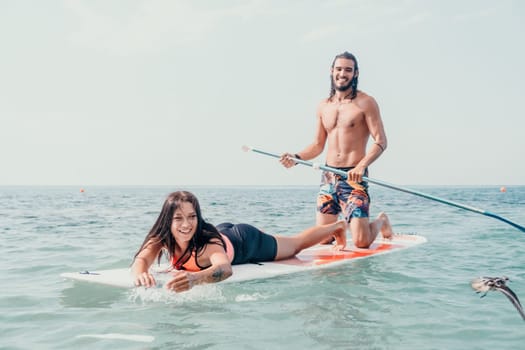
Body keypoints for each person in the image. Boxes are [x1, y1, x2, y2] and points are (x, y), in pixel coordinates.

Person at [280, 51, 393, 248]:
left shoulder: (366, 102)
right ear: (332, 71)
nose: (343, 73)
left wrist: (361, 166)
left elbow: (381, 141)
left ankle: (382, 220)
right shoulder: (324, 106)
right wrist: (296, 157)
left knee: (361, 242)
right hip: (328, 175)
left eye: (348, 70)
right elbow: (317, 145)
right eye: (339, 69)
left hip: (353, 176)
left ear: (355, 74)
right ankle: (339, 228)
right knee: (323, 238)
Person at [132, 191, 347, 292]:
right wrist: (141, 272)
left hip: (246, 241)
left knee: (296, 245)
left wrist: (194, 279)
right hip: (224, 232)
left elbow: (225, 269)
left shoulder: (207, 244)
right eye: (178, 218)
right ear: (167, 220)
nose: (186, 224)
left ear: (199, 217)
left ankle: (337, 226)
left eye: (192, 217)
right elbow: (142, 259)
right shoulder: (162, 237)